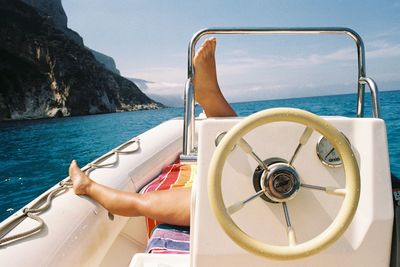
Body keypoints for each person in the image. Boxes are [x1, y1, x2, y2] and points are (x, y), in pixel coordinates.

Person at [69, 37, 236, 227]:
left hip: (227, 204)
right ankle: (209, 95)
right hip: (247, 197)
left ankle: (87, 186)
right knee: (242, 147)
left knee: (140, 202)